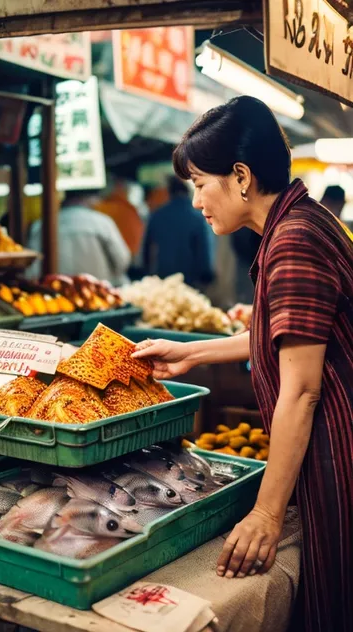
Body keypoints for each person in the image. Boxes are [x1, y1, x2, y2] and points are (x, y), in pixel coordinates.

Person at [133, 96, 352, 632]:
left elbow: (302, 390)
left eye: (200, 183)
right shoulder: (297, 223)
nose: (196, 201)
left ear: (241, 176)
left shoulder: (295, 240)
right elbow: (281, 334)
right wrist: (190, 351)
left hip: (335, 453)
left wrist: (266, 514)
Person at [26, 189, 130, 285]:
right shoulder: (102, 223)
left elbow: (32, 270)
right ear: (89, 198)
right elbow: (122, 261)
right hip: (98, 294)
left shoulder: (40, 225)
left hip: (56, 296)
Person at [142, 175, 215, 287]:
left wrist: (148, 273)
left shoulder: (157, 215)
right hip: (191, 282)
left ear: (169, 192)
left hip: (163, 280)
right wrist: (207, 276)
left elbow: (146, 250)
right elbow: (204, 251)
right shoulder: (198, 217)